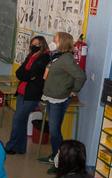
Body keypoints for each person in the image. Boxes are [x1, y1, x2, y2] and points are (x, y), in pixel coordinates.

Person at [40, 32, 86, 170]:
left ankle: (60, 162)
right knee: (55, 130)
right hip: (51, 96)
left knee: (54, 132)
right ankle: (55, 155)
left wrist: (74, 90)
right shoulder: (56, 56)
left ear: (63, 42)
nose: (52, 41)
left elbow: (80, 76)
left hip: (58, 99)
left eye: (55, 39)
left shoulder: (66, 59)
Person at [5, 36, 50, 154]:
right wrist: (28, 76)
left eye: (36, 44)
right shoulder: (30, 56)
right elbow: (19, 72)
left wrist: (28, 76)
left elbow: (33, 74)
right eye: (32, 44)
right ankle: (20, 148)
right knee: (22, 120)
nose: (33, 46)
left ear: (42, 45)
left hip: (32, 94)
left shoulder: (44, 58)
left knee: (17, 119)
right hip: (22, 91)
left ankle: (11, 146)